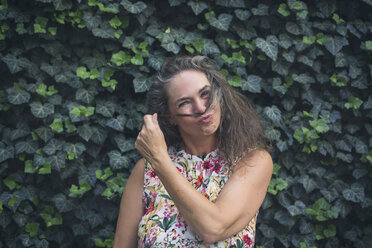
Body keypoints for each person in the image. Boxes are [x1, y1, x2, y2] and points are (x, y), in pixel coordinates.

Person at [113, 55, 273, 247]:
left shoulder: (252, 161)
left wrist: (160, 160)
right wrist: (159, 160)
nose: (201, 107)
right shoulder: (145, 171)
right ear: (169, 117)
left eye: (205, 93)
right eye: (184, 103)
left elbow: (213, 228)